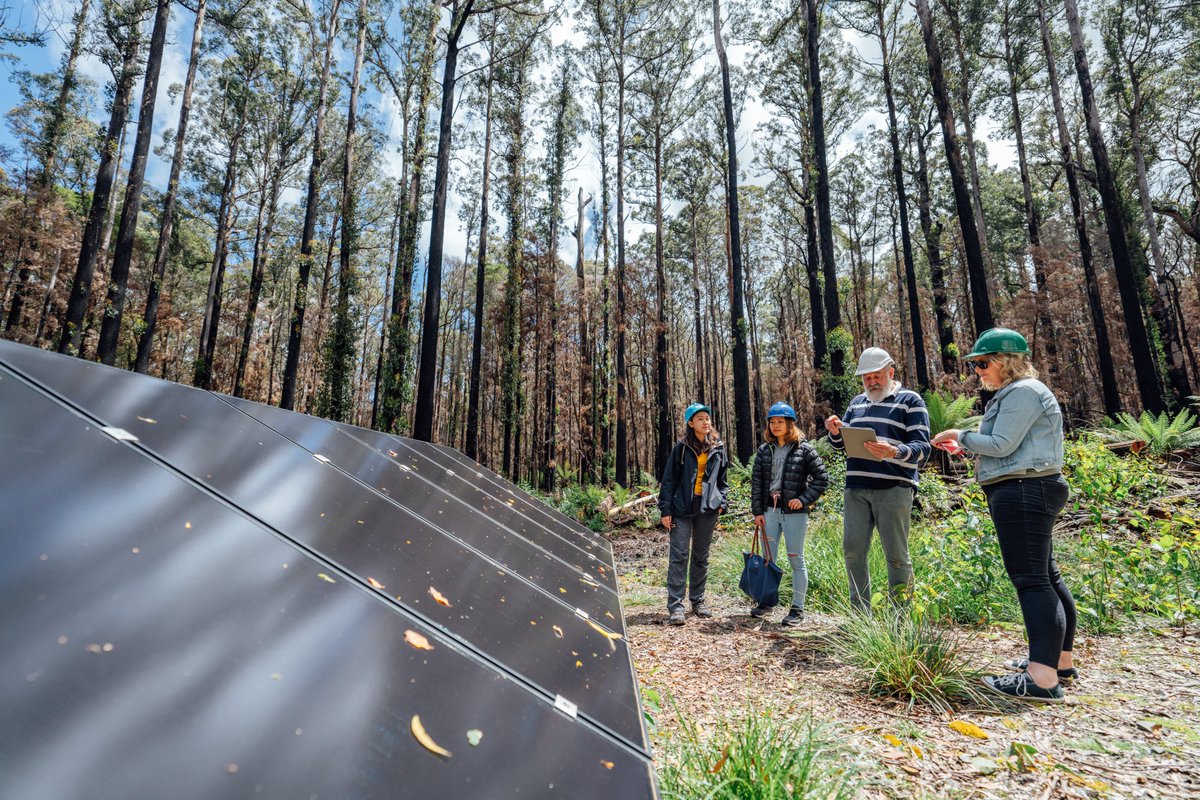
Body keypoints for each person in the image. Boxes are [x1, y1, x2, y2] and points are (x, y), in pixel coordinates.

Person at [932, 328, 1075, 702]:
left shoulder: (1024, 392)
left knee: (1031, 580)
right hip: (1026, 487)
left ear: (1006, 361)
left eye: (982, 363)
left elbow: (1002, 443)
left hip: (1024, 490)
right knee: (1046, 575)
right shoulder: (1014, 394)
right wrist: (969, 448)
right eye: (976, 364)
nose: (978, 371)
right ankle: (1058, 660)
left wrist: (961, 436)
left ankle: (1041, 678)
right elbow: (1006, 447)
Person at [824, 347, 931, 610]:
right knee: (853, 550)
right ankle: (860, 614)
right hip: (856, 488)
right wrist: (836, 431)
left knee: (896, 555)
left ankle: (900, 617)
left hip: (894, 487)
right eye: (866, 378)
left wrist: (894, 451)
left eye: (876, 376)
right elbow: (841, 445)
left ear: (890, 372)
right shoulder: (856, 403)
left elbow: (923, 447)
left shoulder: (910, 400)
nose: (871, 382)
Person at [750, 402, 829, 626]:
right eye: (772, 422)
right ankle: (766, 602)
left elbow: (822, 479)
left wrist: (803, 499)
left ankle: (797, 608)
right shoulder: (765, 450)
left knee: (796, 559)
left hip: (795, 514)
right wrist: (758, 511)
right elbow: (756, 483)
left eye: (780, 422)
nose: (775, 426)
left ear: (789, 423)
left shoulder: (804, 449)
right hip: (769, 512)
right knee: (768, 560)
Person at [658, 403, 729, 626]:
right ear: (691, 423)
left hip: (707, 508)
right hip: (681, 509)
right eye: (700, 419)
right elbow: (669, 481)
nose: (705, 422)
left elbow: (723, 481)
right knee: (679, 555)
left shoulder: (718, 447)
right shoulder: (680, 449)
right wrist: (666, 510)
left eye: (707, 418)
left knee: (701, 556)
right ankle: (676, 606)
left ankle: (698, 601)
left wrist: (722, 502)